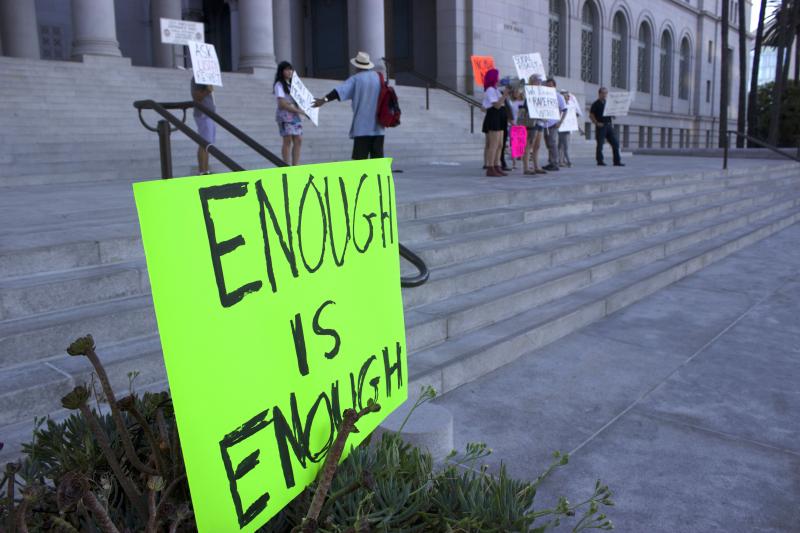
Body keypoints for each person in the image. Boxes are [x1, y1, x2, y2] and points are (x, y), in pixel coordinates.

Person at [313, 51, 384, 160]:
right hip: (379, 127)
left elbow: (338, 92)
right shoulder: (379, 78)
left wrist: (324, 100)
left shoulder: (356, 79)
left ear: (357, 66)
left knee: (359, 163)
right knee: (378, 162)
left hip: (362, 128)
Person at [273, 61, 306, 166]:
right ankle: (286, 165)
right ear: (281, 71)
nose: (289, 72)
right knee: (287, 140)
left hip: (295, 116)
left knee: (299, 139)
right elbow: (282, 103)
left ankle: (295, 165)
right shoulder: (279, 85)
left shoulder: (293, 84)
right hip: (285, 116)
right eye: (287, 69)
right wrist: (299, 111)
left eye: (290, 69)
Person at [481, 68, 507, 177]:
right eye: (497, 76)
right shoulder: (490, 90)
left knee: (500, 144)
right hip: (493, 116)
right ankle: (490, 167)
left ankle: (497, 165)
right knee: (494, 144)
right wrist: (505, 95)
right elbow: (496, 105)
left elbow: (502, 104)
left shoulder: (495, 89)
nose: (498, 78)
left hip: (500, 116)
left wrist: (506, 94)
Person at [590, 87, 624, 167]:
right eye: (603, 93)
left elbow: (611, 113)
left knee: (615, 143)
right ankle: (600, 161)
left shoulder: (608, 103)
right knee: (600, 144)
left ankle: (617, 161)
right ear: (599, 94)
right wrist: (597, 123)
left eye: (606, 93)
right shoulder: (596, 104)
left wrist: (614, 115)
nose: (605, 95)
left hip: (609, 125)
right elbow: (591, 115)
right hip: (601, 126)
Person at [520, 75, 547, 175]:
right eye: (537, 81)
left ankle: (536, 166)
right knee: (529, 144)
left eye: (540, 81)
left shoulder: (541, 93)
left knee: (537, 145)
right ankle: (526, 167)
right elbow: (526, 107)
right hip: (532, 121)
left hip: (540, 121)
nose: (539, 83)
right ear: (532, 82)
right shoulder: (529, 93)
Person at [190, 76, 216, 175]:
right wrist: (207, 90)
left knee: (208, 143)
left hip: (209, 115)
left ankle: (206, 170)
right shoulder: (197, 78)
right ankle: (202, 171)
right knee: (203, 143)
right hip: (203, 114)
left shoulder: (206, 78)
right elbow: (196, 97)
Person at [542, 78, 568, 172]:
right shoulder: (543, 96)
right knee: (548, 144)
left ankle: (555, 163)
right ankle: (551, 162)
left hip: (553, 123)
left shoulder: (558, 96)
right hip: (545, 123)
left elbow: (565, 110)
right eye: (547, 86)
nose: (549, 87)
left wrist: (560, 122)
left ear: (554, 86)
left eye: (550, 85)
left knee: (552, 143)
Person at [558, 91, 583, 168]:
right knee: (562, 146)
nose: (568, 97)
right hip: (561, 128)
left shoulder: (570, 106)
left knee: (563, 146)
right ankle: (566, 161)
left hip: (567, 129)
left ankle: (562, 161)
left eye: (568, 96)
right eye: (567, 96)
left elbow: (573, 119)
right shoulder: (560, 106)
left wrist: (579, 129)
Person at [509, 87, 525, 170]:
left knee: (521, 144)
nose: (515, 93)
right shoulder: (512, 103)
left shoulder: (524, 102)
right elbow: (509, 114)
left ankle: (522, 161)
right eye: (514, 92)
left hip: (522, 125)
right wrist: (511, 122)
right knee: (514, 144)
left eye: (517, 92)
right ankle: (514, 163)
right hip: (514, 124)